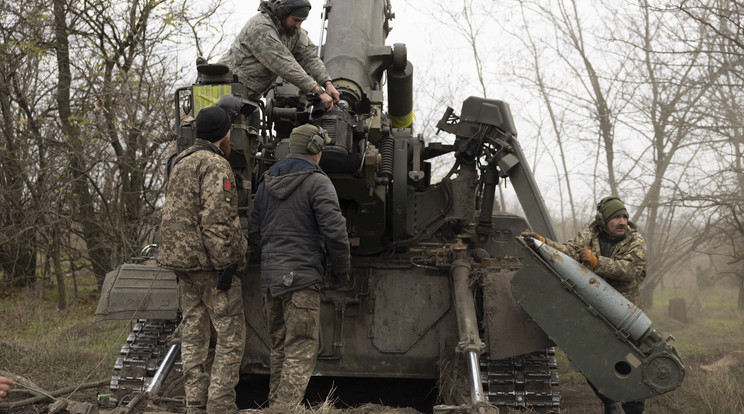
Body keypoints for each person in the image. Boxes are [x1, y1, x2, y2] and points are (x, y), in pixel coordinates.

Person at [249, 124, 350, 408]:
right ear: (315, 149)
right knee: (301, 349)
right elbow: (336, 233)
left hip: (271, 282)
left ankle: (275, 405)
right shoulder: (318, 182)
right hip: (303, 281)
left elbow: (255, 234)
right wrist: (340, 273)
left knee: (279, 349)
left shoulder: (265, 183)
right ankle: (284, 409)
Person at [157, 106, 248, 414]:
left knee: (194, 336)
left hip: (181, 265)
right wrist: (226, 266)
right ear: (224, 134)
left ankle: (195, 405)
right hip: (209, 266)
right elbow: (216, 222)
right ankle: (220, 407)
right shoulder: (216, 164)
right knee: (231, 336)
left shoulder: (180, 162)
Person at [523, 196, 647, 414]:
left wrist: (598, 263)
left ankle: (633, 409)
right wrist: (542, 242)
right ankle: (610, 403)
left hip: (625, 317)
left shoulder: (635, 241)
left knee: (631, 366)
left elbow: (632, 271)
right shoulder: (590, 235)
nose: (622, 222)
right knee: (589, 362)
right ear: (603, 219)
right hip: (595, 314)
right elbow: (570, 250)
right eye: (616, 217)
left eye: (624, 217)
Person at [219, 0, 340, 111]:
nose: (298, 26)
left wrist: (327, 83)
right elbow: (284, 64)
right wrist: (318, 91)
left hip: (247, 98)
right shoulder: (260, 27)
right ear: (282, 13)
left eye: (302, 22)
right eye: (296, 20)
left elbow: (309, 57)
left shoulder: (293, 33)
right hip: (222, 92)